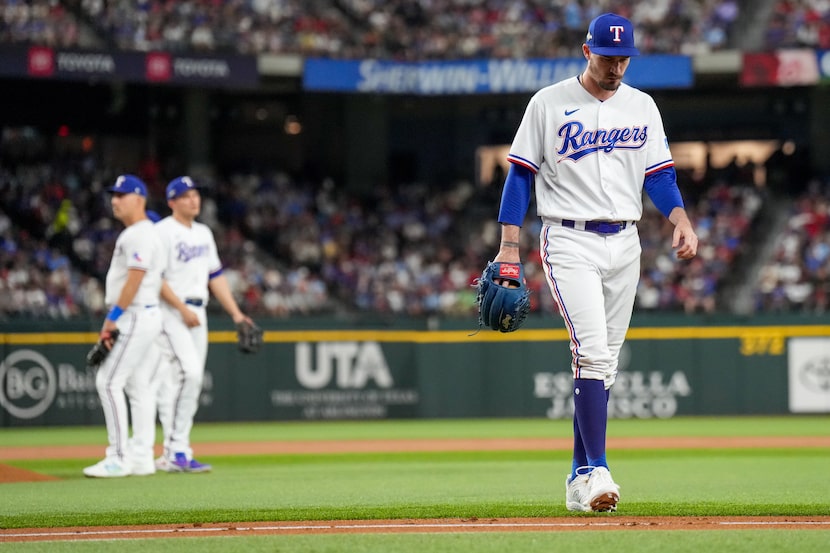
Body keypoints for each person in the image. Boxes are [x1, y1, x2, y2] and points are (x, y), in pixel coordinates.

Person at [493, 13, 698, 512]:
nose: (617, 66)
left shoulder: (642, 106)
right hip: (568, 239)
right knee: (590, 352)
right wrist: (508, 245)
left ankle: (577, 478)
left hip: (626, 242)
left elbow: (660, 175)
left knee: (603, 366)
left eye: (624, 57)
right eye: (608, 57)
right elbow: (520, 177)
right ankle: (599, 469)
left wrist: (681, 218)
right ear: (587, 51)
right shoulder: (548, 103)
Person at [152, 176, 256, 473]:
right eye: (185, 196)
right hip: (172, 312)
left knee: (186, 383)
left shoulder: (203, 233)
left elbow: (216, 276)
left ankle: (176, 451)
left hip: (199, 313)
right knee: (190, 375)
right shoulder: (162, 232)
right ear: (172, 202)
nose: (193, 200)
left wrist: (236, 314)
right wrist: (181, 309)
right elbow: (154, 277)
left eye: (195, 194)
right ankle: (176, 451)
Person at [84, 175, 165, 478]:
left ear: (139, 199)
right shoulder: (143, 232)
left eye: (121, 194)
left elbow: (136, 277)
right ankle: (142, 457)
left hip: (134, 315)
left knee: (107, 381)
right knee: (138, 386)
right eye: (113, 195)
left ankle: (118, 457)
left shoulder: (139, 233)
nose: (115, 200)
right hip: (145, 314)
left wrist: (112, 317)